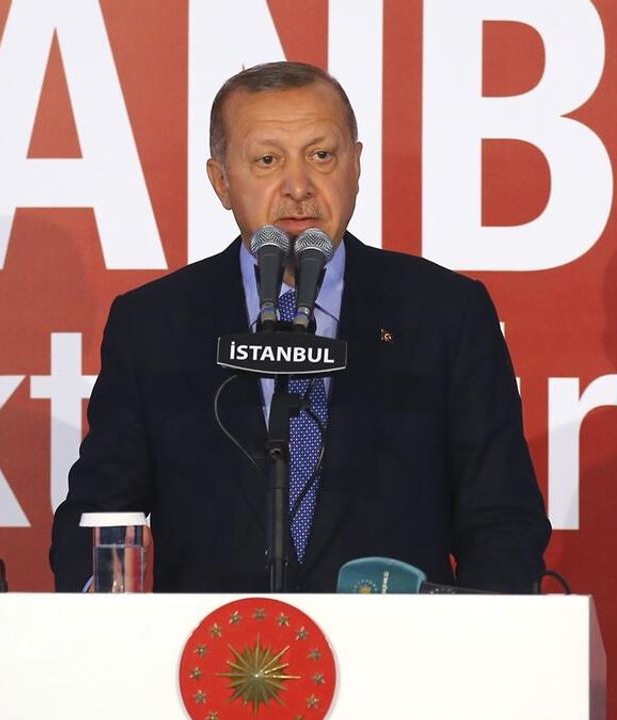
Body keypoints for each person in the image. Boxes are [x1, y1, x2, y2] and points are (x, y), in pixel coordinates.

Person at [50, 61, 550, 593]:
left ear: (356, 166)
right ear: (221, 181)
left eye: (321, 155)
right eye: (267, 160)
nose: (297, 187)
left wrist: (474, 633)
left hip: (398, 643)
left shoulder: (445, 314)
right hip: (214, 644)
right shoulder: (155, 325)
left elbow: (502, 521)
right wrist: (104, 621)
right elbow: (98, 517)